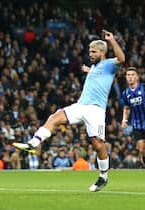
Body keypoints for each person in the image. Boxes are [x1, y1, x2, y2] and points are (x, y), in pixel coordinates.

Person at [13, 30, 125, 192]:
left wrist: (112, 40)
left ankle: (103, 176)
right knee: (54, 117)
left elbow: (122, 59)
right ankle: (32, 143)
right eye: (89, 52)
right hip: (80, 106)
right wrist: (90, 71)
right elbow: (95, 72)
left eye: (93, 52)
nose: (90, 54)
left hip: (96, 110)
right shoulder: (95, 68)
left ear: (102, 52)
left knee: (98, 145)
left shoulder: (108, 65)